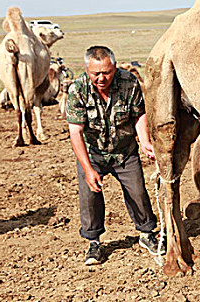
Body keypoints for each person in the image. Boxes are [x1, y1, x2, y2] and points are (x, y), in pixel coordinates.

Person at [66, 45, 164, 265]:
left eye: (106, 73)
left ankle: (147, 234)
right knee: (90, 196)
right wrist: (88, 170)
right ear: (87, 70)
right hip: (92, 154)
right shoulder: (77, 90)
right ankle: (94, 243)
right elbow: (76, 132)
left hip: (125, 152)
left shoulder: (129, 83)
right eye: (95, 73)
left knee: (138, 192)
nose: (101, 78)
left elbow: (139, 116)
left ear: (115, 67)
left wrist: (145, 141)